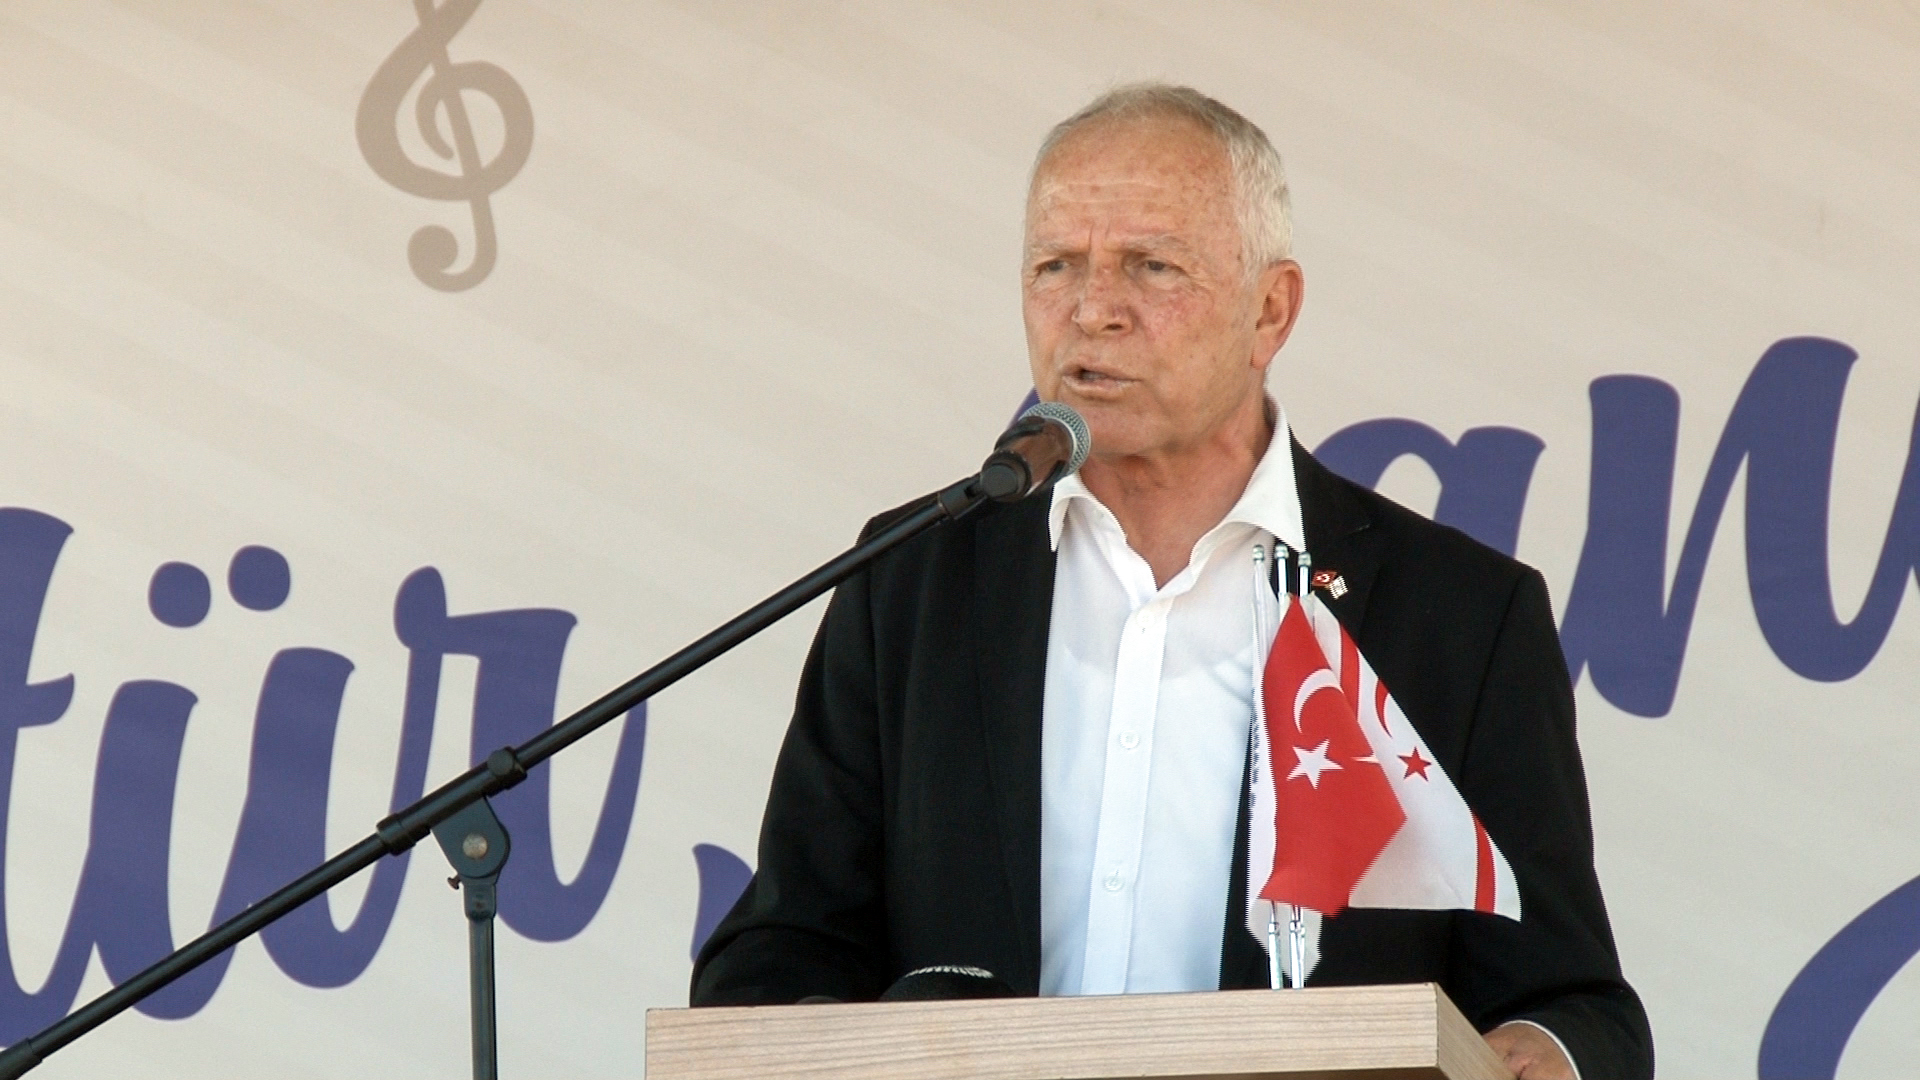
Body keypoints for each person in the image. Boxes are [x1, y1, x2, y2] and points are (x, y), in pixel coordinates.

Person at [691, 83, 1653, 1080]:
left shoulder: (1457, 617)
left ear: (1270, 310)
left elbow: (1570, 1002)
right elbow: (784, 946)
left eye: (1151, 267)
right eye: (1055, 266)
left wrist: (1544, 1051)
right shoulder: (914, 581)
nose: (1092, 310)